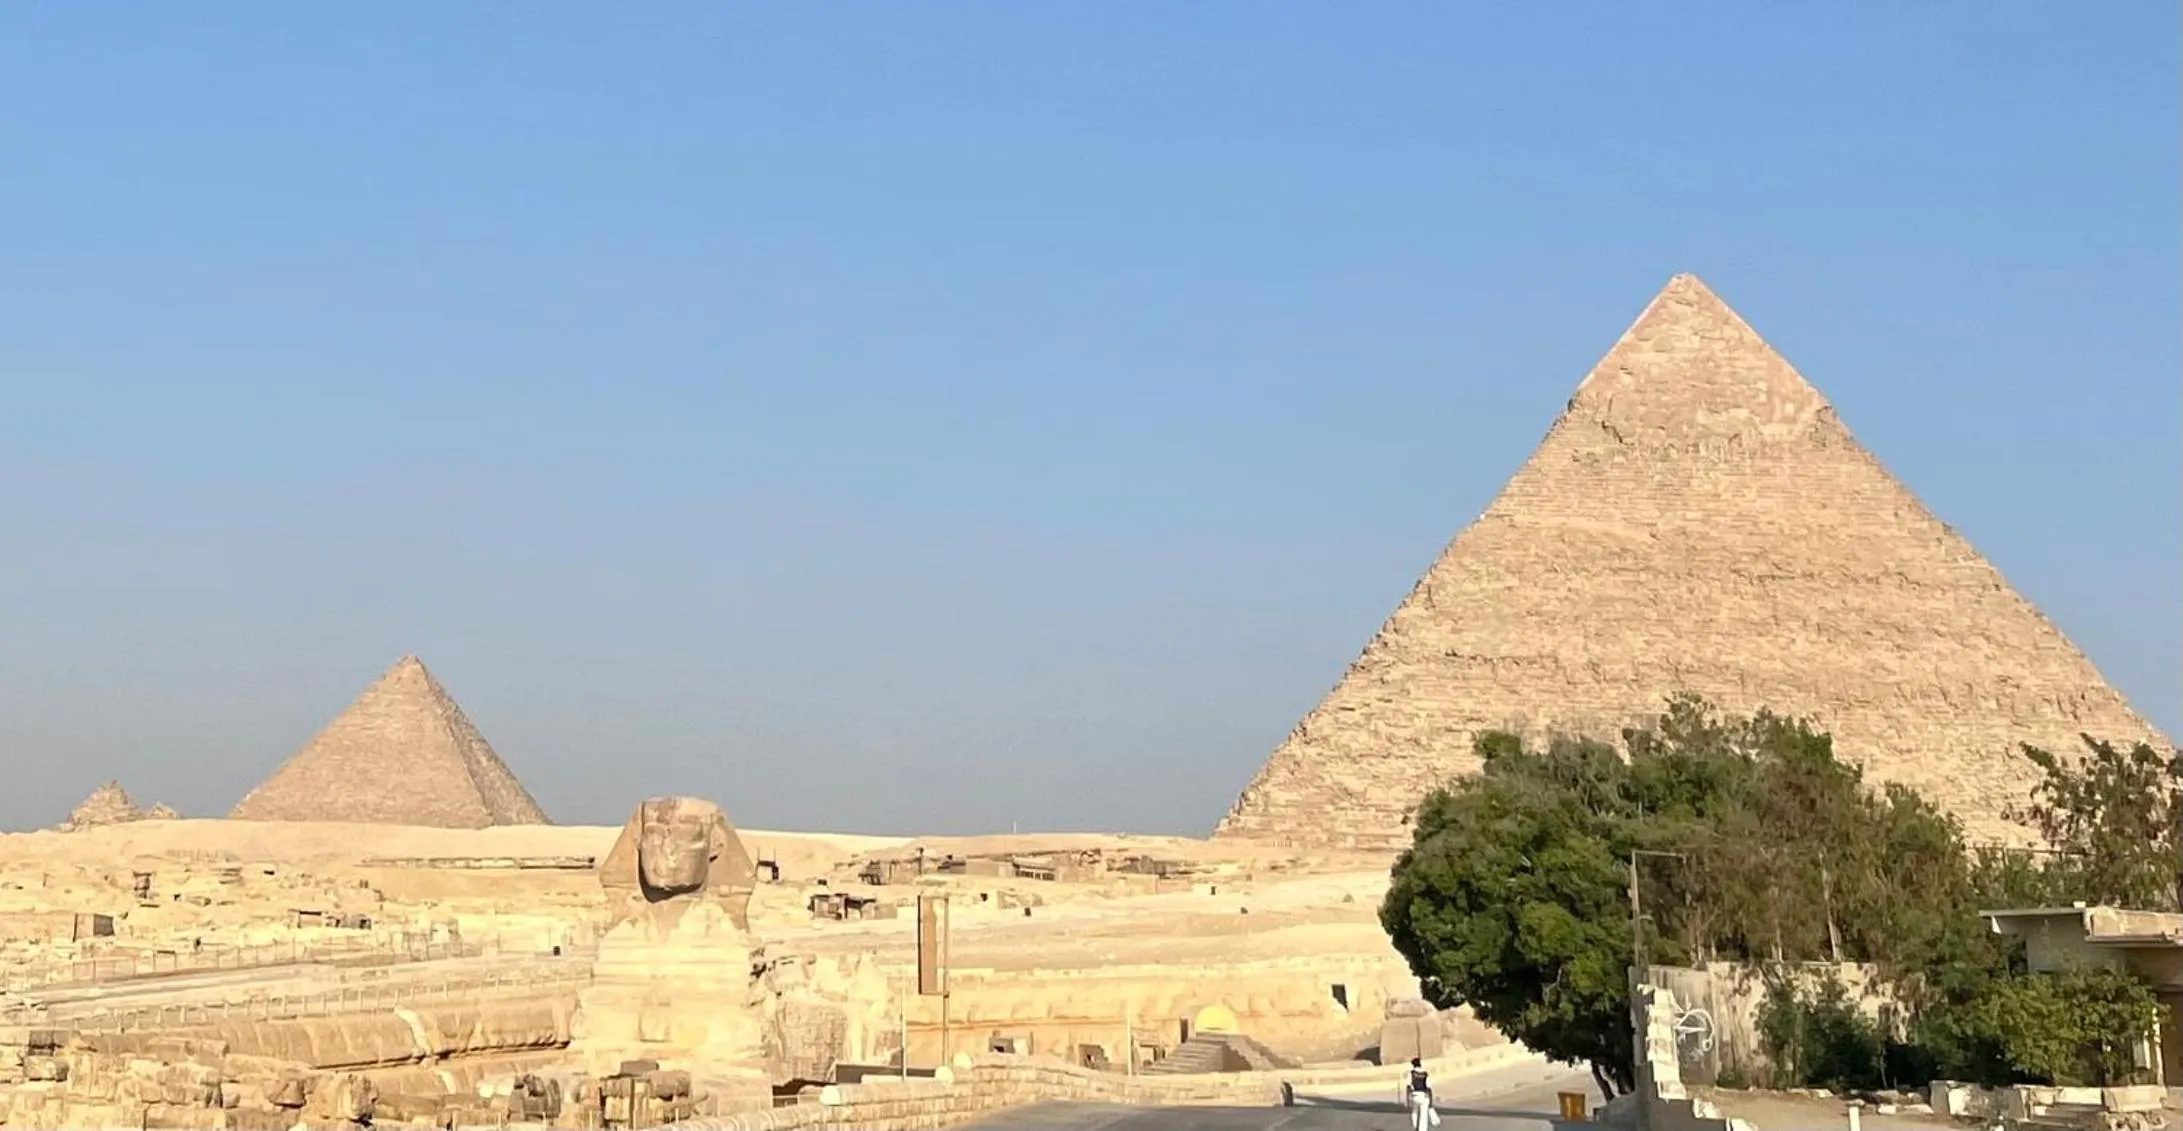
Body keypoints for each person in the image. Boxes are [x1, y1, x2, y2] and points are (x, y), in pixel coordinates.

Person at [1400, 1056, 1439, 1130]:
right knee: (1424, 1116)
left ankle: (1415, 1127)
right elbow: (1429, 1088)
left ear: (1413, 1065)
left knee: (1415, 1112)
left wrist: (1408, 1099)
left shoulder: (1412, 1073)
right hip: (1424, 1096)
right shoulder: (1425, 1074)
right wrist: (1431, 1101)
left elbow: (1408, 1086)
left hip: (1415, 1096)